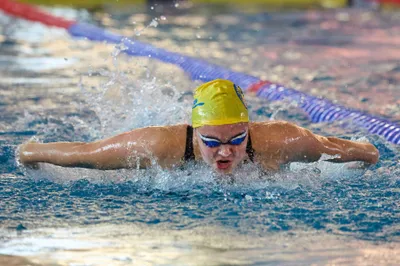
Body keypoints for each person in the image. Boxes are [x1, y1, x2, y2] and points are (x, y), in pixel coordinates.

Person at [19, 79, 379, 174]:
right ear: (195, 135)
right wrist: (29, 153)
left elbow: (360, 151)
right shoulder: (159, 147)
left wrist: (366, 158)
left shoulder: (281, 139)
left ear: (249, 128)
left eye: (238, 138)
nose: (226, 150)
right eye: (213, 141)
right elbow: (88, 155)